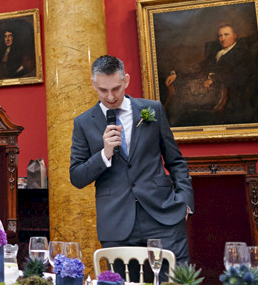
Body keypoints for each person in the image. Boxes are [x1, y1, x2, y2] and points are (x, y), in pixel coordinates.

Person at [70, 55, 194, 273]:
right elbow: (77, 177)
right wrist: (104, 154)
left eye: (116, 88)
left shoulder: (152, 110)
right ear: (93, 84)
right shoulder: (83, 123)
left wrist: (184, 200)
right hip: (116, 225)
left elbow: (175, 161)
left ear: (126, 80)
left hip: (164, 217)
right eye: (103, 90)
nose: (110, 97)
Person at [163, 23, 258, 126]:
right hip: (210, 93)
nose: (222, 38)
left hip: (233, 98)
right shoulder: (217, 53)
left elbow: (241, 77)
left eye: (226, 34)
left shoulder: (243, 53)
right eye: (220, 35)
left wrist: (215, 78)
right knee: (180, 103)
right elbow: (200, 66)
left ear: (235, 35)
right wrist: (176, 73)